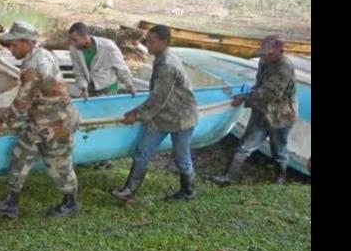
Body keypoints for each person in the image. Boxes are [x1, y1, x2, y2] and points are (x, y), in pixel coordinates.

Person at [0, 21, 81, 218]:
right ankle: (11, 203)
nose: (10, 49)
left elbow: (22, 102)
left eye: (14, 45)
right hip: (39, 121)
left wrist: (1, 120)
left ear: (28, 43)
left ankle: (71, 203)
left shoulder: (35, 66)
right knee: (20, 157)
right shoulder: (38, 54)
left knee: (59, 165)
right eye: (9, 45)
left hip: (58, 124)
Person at [111, 25, 198, 203]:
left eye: (151, 41)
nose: (147, 45)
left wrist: (136, 113)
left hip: (181, 117)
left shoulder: (167, 64)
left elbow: (158, 98)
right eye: (147, 41)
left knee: (181, 156)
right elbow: (158, 97)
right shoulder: (162, 58)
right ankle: (129, 190)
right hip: (162, 115)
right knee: (143, 150)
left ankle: (188, 192)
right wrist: (141, 112)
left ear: (164, 42)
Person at [212, 35, 297, 185]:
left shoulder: (284, 67)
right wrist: (248, 95)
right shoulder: (264, 61)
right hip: (261, 110)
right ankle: (229, 178)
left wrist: (245, 97)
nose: (265, 57)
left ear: (279, 51)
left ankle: (280, 178)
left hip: (281, 115)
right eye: (264, 53)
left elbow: (270, 94)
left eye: (269, 54)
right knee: (245, 145)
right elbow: (259, 85)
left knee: (279, 150)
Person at [67, 21, 137, 169]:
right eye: (71, 40)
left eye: (75, 39)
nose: (73, 43)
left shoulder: (108, 47)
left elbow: (121, 68)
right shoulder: (74, 49)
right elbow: (78, 72)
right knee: (89, 123)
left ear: (85, 36)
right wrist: (83, 87)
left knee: (105, 123)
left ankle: (105, 159)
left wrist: (129, 84)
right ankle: (90, 155)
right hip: (90, 89)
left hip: (108, 89)